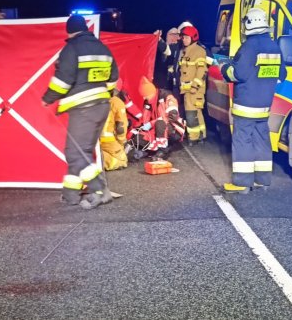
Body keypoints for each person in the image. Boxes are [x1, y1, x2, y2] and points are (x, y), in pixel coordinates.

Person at [42, 14, 119, 210]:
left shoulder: (71, 49)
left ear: (69, 31)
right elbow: (113, 79)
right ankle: (70, 195)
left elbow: (62, 81)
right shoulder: (103, 48)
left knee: (75, 153)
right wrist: (103, 93)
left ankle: (100, 189)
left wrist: (48, 98)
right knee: (80, 151)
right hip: (101, 106)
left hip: (84, 108)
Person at [220, 8, 286, 194]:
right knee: (262, 140)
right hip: (264, 105)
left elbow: (239, 73)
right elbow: (282, 75)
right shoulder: (274, 46)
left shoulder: (249, 46)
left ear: (249, 23)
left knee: (242, 141)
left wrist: (225, 68)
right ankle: (262, 180)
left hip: (246, 105)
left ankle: (242, 183)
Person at [129, 76, 185, 159]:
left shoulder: (167, 96)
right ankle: (149, 150)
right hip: (157, 128)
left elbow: (172, 117)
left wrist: (151, 123)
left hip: (174, 129)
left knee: (160, 123)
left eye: (145, 96)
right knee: (138, 136)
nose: (144, 98)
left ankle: (163, 151)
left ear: (151, 93)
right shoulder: (148, 102)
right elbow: (144, 120)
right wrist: (135, 131)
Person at [178, 25, 207, 145]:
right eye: (183, 37)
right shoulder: (187, 51)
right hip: (188, 90)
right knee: (197, 113)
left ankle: (193, 137)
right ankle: (202, 135)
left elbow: (202, 71)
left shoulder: (199, 51)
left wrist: (195, 86)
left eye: (185, 37)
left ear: (193, 38)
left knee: (191, 114)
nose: (183, 39)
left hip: (194, 90)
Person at [99, 78, 128, 171]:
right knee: (122, 161)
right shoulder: (117, 102)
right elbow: (121, 126)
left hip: (96, 140)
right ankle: (97, 161)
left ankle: (95, 156)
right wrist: (122, 140)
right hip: (109, 140)